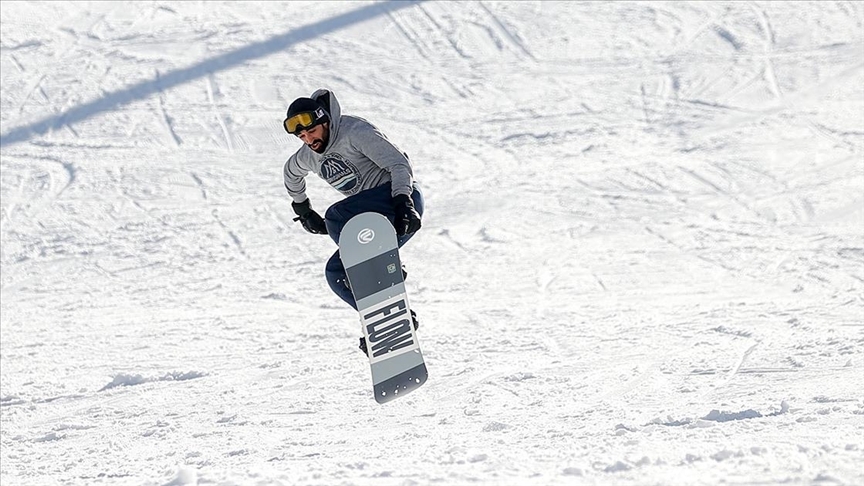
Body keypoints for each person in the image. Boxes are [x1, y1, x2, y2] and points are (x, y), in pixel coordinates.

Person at [282, 89, 424, 355]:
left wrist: (404, 202)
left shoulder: (354, 131)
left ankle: (380, 259)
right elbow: (291, 174)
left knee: (336, 216)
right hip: (368, 220)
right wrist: (303, 210)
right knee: (335, 273)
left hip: (398, 201)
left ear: (324, 121)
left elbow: (398, 164)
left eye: (311, 131)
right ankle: (391, 318)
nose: (308, 139)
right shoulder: (307, 155)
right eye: (301, 136)